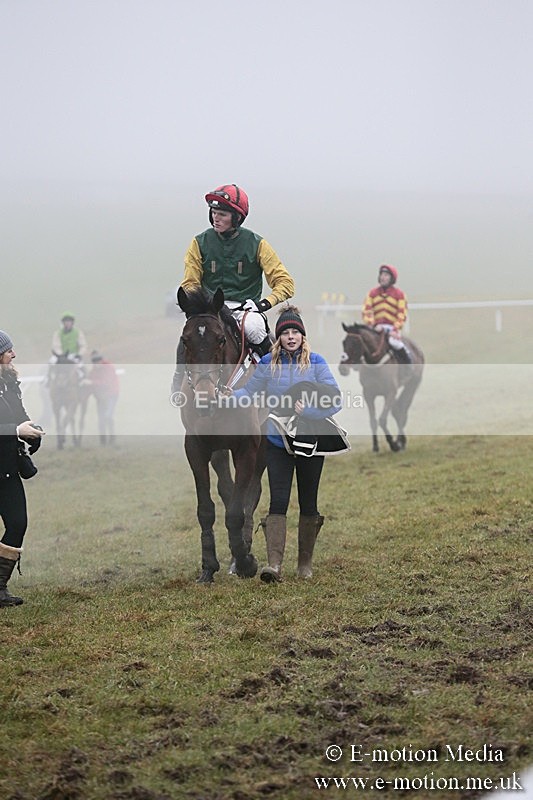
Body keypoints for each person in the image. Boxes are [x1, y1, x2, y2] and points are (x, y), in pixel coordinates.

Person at [228, 306, 343, 583]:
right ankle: (274, 565)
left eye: (296, 332)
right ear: (278, 337)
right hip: (277, 440)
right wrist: (226, 396)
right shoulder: (267, 363)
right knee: (277, 501)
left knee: (308, 501)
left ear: (303, 336)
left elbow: (335, 399)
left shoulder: (316, 362)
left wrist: (311, 412)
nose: (291, 337)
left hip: (310, 440)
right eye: (286, 333)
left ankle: (305, 565)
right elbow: (249, 393)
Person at [173, 184, 295, 392]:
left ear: (237, 218)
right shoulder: (199, 242)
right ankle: (178, 381)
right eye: (213, 213)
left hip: (245, 309)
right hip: (211, 309)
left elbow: (285, 283)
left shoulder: (257, 244)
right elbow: (190, 282)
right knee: (189, 334)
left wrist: (263, 304)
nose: (215, 218)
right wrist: (196, 305)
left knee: (255, 330)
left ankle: (278, 382)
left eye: (222, 214)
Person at [0, 330, 45, 607]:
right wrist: (16, 430)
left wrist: (31, 430)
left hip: (7, 468)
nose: (13, 354)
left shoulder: (9, 383)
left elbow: (19, 415)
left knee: (18, 523)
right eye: (7, 350)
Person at [362, 265, 411, 363]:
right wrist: (373, 324)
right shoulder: (372, 293)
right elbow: (366, 311)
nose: (383, 277)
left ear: (392, 278)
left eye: (386, 275)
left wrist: (395, 329)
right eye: (381, 275)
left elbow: (402, 314)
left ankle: (407, 363)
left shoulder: (399, 294)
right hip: (375, 328)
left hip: (391, 328)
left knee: (395, 343)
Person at [88, 351, 119, 446]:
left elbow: (106, 382)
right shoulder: (94, 370)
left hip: (111, 395)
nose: (95, 365)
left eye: (97, 362)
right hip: (100, 397)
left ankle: (112, 437)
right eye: (94, 363)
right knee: (101, 418)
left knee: (108, 416)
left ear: (101, 361)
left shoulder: (109, 368)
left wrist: (92, 383)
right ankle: (103, 440)